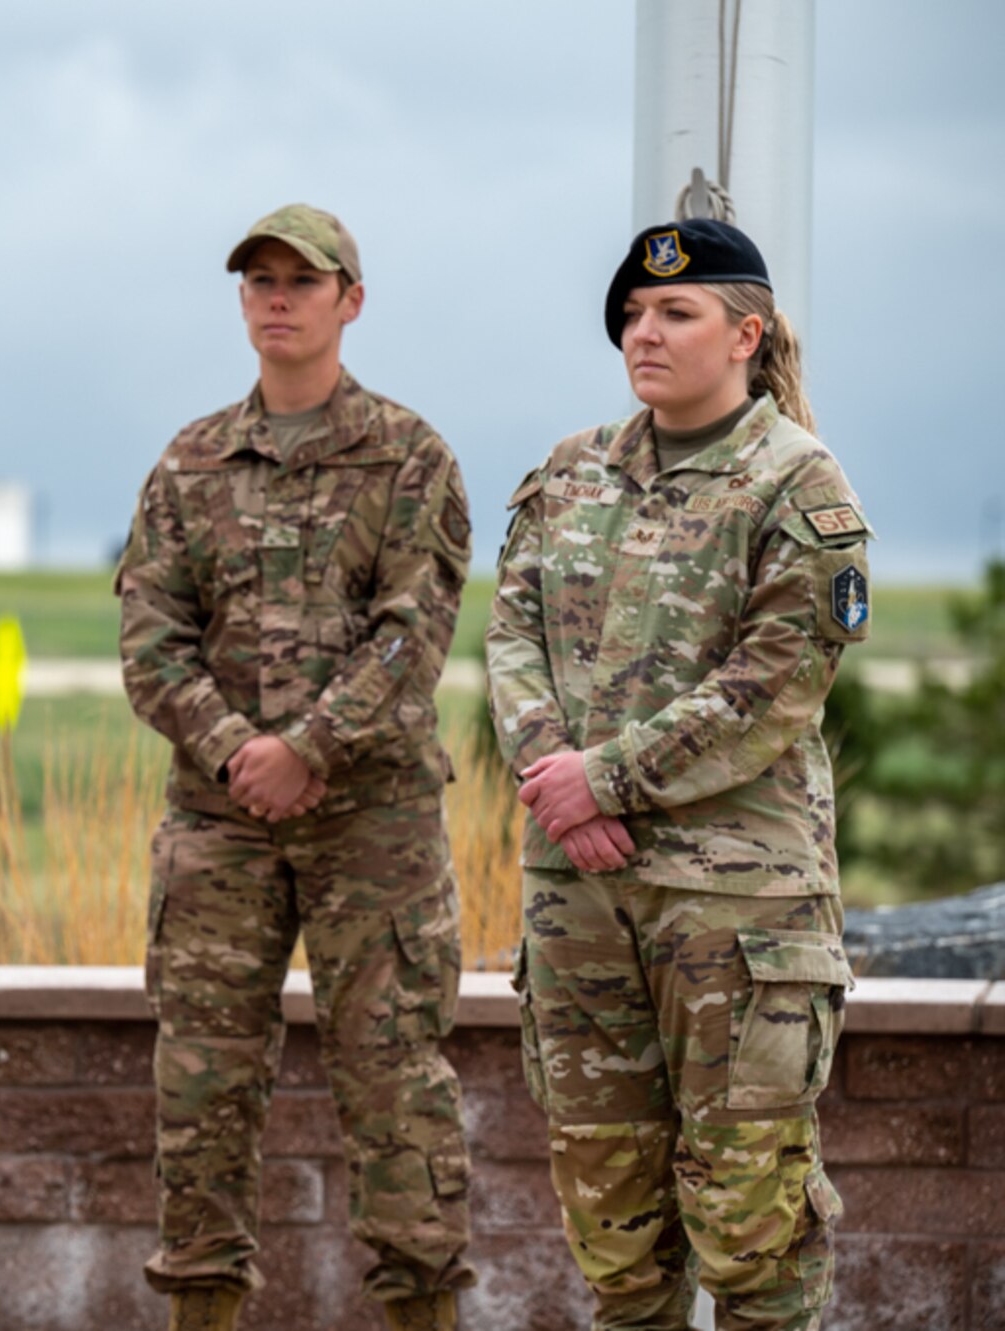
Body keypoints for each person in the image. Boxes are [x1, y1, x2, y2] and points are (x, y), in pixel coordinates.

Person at [486, 218, 868, 1330]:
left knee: (751, 1237)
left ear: (744, 333)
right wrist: (547, 773)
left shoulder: (795, 484)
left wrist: (600, 780)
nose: (641, 332)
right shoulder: (567, 472)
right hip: (577, 897)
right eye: (631, 315)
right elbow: (510, 636)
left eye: (674, 312)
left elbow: (773, 683)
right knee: (613, 1238)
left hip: (733, 908)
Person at [115, 204, 476, 1331]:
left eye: (300, 281)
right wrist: (237, 754)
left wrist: (307, 748)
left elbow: (409, 636)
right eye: (257, 280)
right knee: (202, 1095)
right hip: (220, 826)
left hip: (370, 827)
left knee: (395, 1091)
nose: (275, 297)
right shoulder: (188, 460)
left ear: (347, 302)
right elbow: (149, 639)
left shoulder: (408, 456)